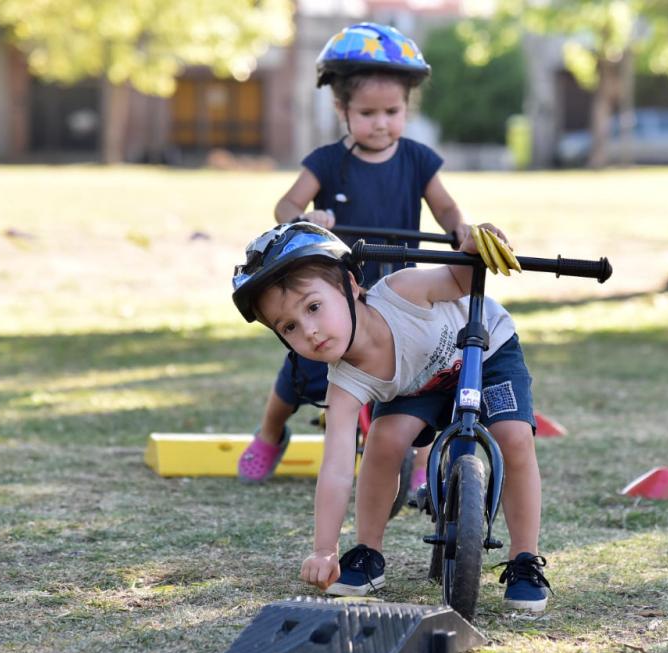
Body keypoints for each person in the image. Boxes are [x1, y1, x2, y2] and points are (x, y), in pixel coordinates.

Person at [232, 221, 552, 612]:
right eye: (290, 327)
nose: (310, 332)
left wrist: (473, 246)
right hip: (418, 388)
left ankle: (524, 559)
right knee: (383, 442)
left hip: (486, 352)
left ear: (350, 287)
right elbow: (334, 468)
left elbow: (461, 277)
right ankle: (368, 551)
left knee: (514, 436)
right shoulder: (344, 384)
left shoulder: (402, 293)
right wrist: (324, 549)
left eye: (314, 307)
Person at [237, 23, 471, 484]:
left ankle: (421, 466)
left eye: (392, 111)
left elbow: (443, 205)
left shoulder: (418, 159)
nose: (381, 122)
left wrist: (457, 228)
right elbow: (286, 204)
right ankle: (269, 433)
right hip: (336, 289)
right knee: (303, 370)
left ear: (407, 108)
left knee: (417, 377)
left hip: (396, 296)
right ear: (341, 108)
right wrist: (308, 217)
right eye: (367, 112)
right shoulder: (327, 161)